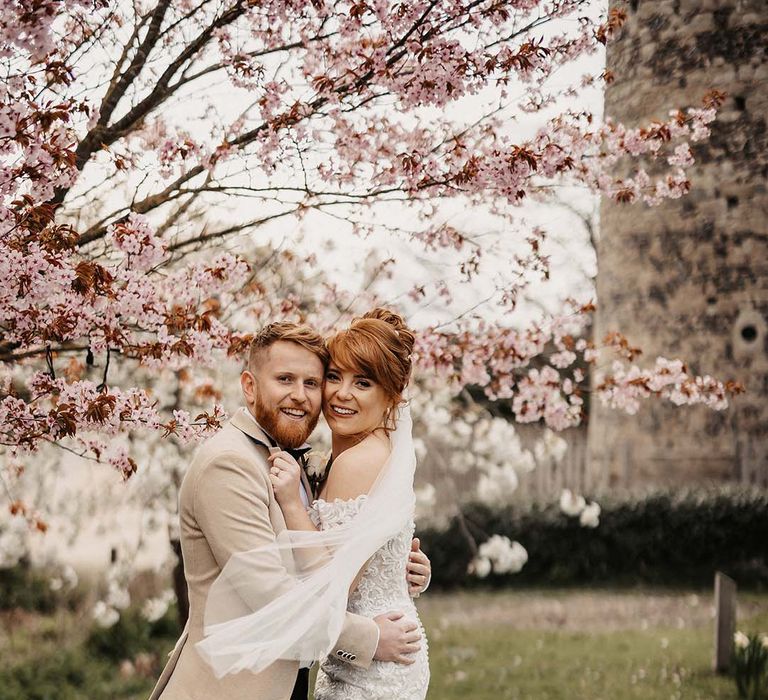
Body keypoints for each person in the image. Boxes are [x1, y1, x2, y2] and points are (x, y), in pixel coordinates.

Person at [148, 321, 431, 700]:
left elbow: (330, 554)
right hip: (235, 688)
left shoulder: (301, 460)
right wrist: (370, 639)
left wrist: (397, 566)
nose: (301, 396)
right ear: (249, 386)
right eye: (285, 379)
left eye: (312, 382)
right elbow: (274, 597)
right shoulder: (230, 464)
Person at [268, 308, 430, 699]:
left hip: (373, 664)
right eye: (335, 377)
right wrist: (408, 573)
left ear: (390, 395)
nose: (341, 393)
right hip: (385, 650)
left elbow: (331, 587)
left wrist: (291, 503)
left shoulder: (357, 462)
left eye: (363, 383)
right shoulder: (374, 451)